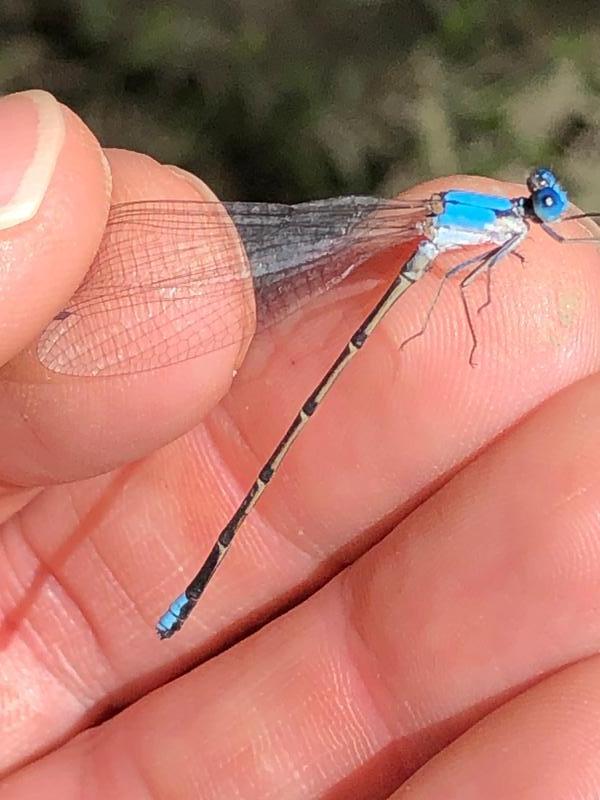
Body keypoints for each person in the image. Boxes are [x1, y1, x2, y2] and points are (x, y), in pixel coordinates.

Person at [1, 88, 600, 798]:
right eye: (546, 205)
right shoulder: (506, 228)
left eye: (548, 205)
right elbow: (475, 279)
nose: (546, 209)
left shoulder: (511, 226)